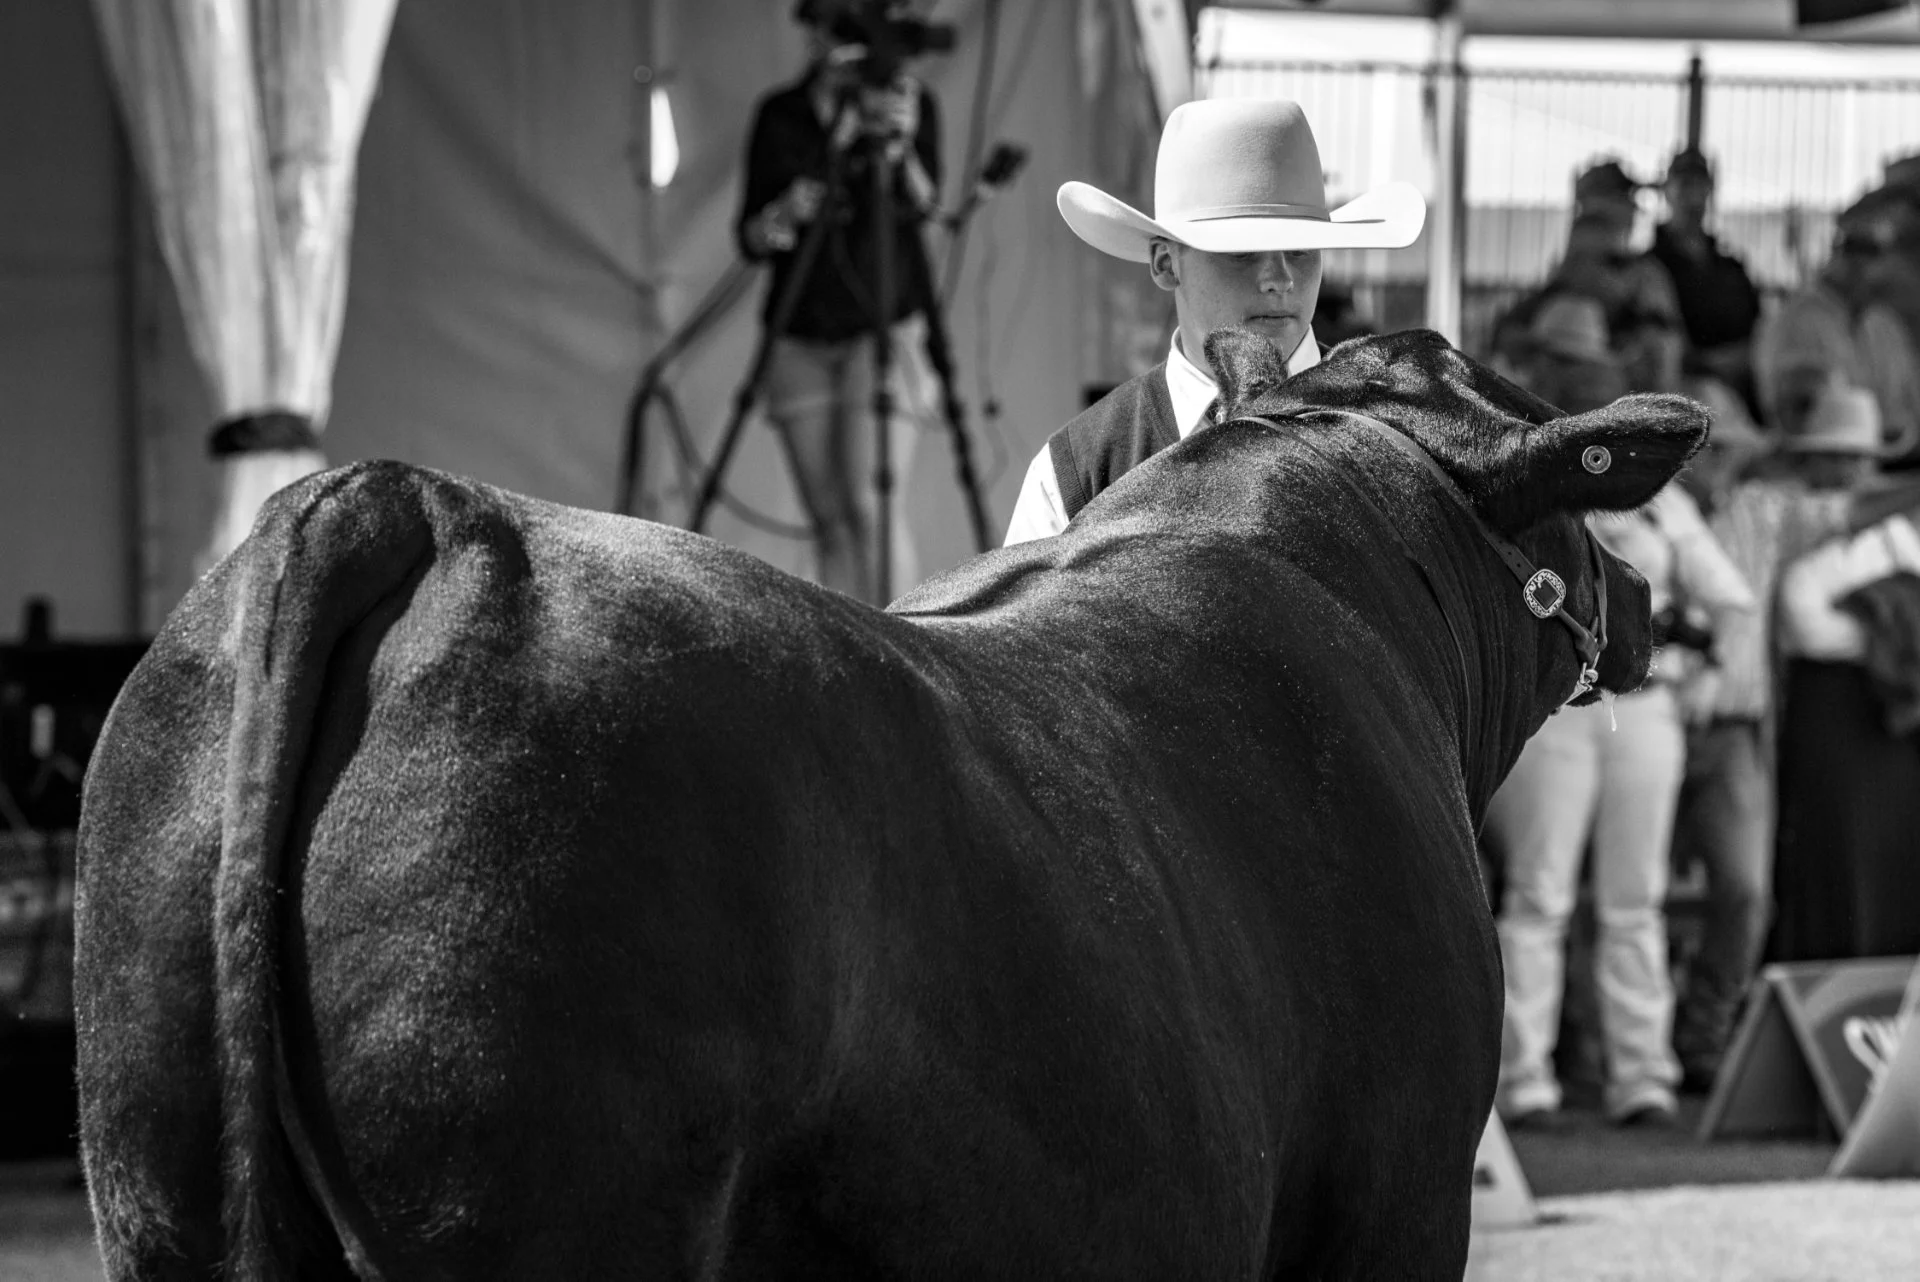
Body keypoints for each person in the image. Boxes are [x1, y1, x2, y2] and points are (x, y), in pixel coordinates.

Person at [1486, 293, 1755, 1130]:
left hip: (1644, 704)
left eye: (1587, 380)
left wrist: (1711, 684)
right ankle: (1524, 1076)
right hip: (1557, 709)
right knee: (1541, 896)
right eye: (1565, 379)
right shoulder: (1522, 481)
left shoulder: (1658, 501)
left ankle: (1642, 1072)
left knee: (1630, 898)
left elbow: (1733, 601)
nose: (1576, 394)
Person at [1000, 97, 1425, 545]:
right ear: (1166, 263)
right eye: (1241, 251)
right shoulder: (1079, 473)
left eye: (1302, 248)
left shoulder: (1395, 441)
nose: (1279, 279)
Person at [1664, 376, 1856, 1093]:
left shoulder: (1764, 511)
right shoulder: (1636, 509)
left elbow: (1843, 506)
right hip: (1647, 715)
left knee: (1747, 893)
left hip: (1734, 730)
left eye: (1715, 446)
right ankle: (1612, 1051)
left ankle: (1703, 1037)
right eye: (1688, 445)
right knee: (1622, 894)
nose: (1703, 459)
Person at [736, 0, 944, 603]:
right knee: (827, 515)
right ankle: (849, 645)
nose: (841, 43)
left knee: (870, 504)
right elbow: (751, 237)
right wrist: (785, 209)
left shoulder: (907, 100)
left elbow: (928, 206)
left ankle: (900, 644)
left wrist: (898, 146)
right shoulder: (781, 115)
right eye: (832, 29)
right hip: (800, 330)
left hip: (882, 326)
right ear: (814, 34)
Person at [1770, 382, 1920, 962]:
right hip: (1825, 714)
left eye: (1857, 456)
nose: (1848, 467)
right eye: (1836, 455)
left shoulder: (1899, 533)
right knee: (1832, 855)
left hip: (1890, 719)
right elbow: (1801, 620)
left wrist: (1878, 633)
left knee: (1895, 856)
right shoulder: (1788, 514)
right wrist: (1886, 634)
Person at [1754, 186, 1920, 460]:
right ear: (1858, 257)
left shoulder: (1883, 326)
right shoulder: (1800, 323)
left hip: (1892, 464)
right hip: (1827, 472)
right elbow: (1803, 432)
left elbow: (1907, 412)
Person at [1646, 148, 1763, 416]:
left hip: (1741, 398)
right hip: (1680, 402)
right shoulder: (1648, 269)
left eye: (1701, 185)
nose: (1693, 196)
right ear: (1667, 190)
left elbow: (1759, 327)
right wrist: (1709, 365)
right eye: (1685, 184)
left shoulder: (1731, 269)